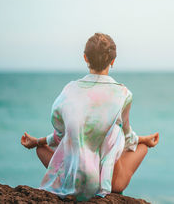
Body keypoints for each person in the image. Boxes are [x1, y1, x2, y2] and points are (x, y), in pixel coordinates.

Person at [20, 33, 159, 201]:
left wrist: (38, 142)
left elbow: (61, 135)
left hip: (72, 177)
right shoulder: (123, 93)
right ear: (113, 60)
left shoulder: (69, 90)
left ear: (85, 58)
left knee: (42, 148)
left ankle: (46, 151)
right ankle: (109, 180)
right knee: (139, 145)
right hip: (106, 183)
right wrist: (143, 140)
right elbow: (127, 136)